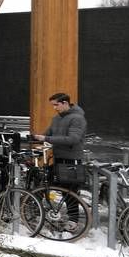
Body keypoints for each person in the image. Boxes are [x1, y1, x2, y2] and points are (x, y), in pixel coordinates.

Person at [33, 92, 87, 226]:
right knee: (43, 184)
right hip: (58, 158)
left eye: (56, 105)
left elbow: (73, 139)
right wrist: (34, 138)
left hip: (72, 159)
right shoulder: (57, 118)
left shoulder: (77, 118)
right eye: (53, 105)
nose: (54, 108)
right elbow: (48, 134)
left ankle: (73, 221)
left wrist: (47, 139)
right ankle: (35, 212)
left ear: (65, 103)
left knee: (70, 191)